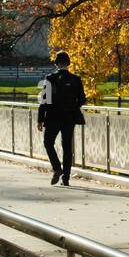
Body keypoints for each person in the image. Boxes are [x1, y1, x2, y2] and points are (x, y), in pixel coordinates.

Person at [37, 50, 86, 186]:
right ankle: (66, 178)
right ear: (68, 63)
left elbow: (44, 100)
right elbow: (82, 99)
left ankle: (57, 168)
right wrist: (72, 107)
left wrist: (40, 119)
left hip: (53, 117)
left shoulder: (50, 79)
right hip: (69, 118)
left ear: (57, 63)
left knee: (48, 143)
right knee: (67, 147)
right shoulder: (76, 80)